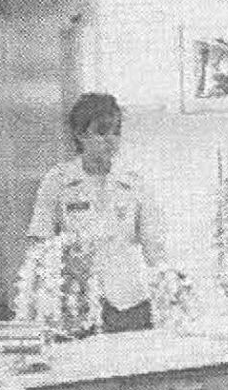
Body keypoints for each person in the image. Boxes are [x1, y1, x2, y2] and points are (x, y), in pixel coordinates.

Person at [27, 91, 166, 333]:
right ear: (81, 135)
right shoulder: (58, 181)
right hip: (79, 305)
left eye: (116, 132)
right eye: (102, 132)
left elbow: (154, 248)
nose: (111, 140)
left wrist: (167, 294)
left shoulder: (134, 182)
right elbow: (40, 244)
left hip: (130, 302)